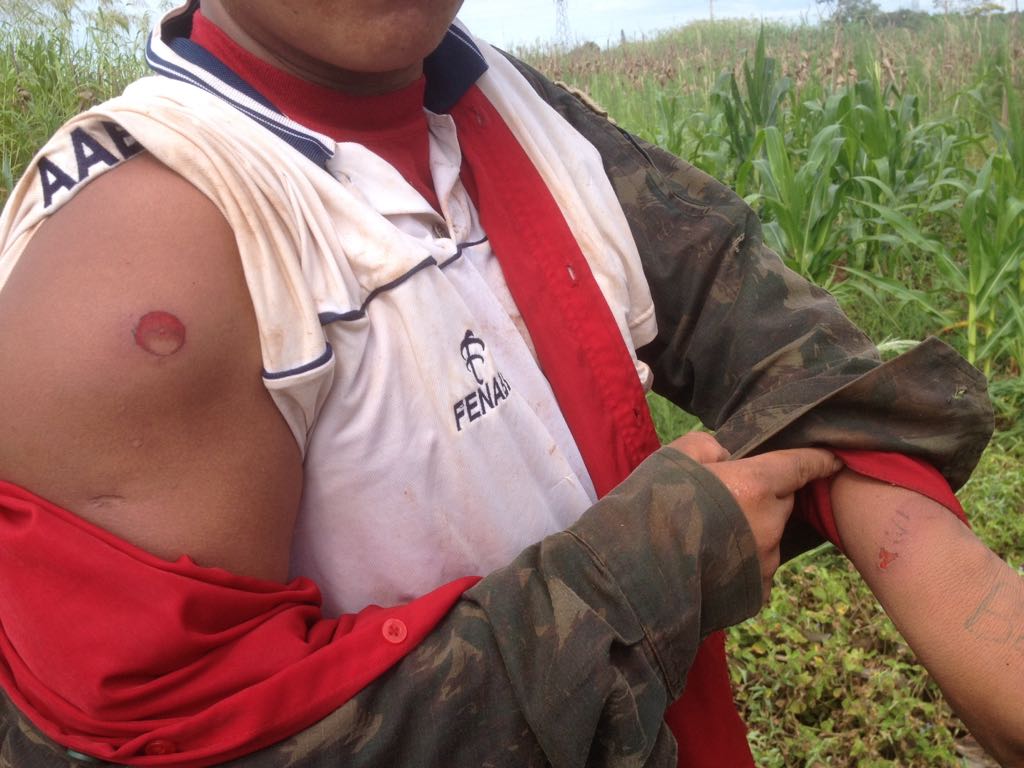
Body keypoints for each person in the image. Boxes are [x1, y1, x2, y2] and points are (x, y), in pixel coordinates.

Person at [0, 1, 1020, 767]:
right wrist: (643, 568)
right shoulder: (142, 261)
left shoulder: (507, 106)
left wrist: (951, 590)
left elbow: (746, 312)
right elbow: (165, 741)